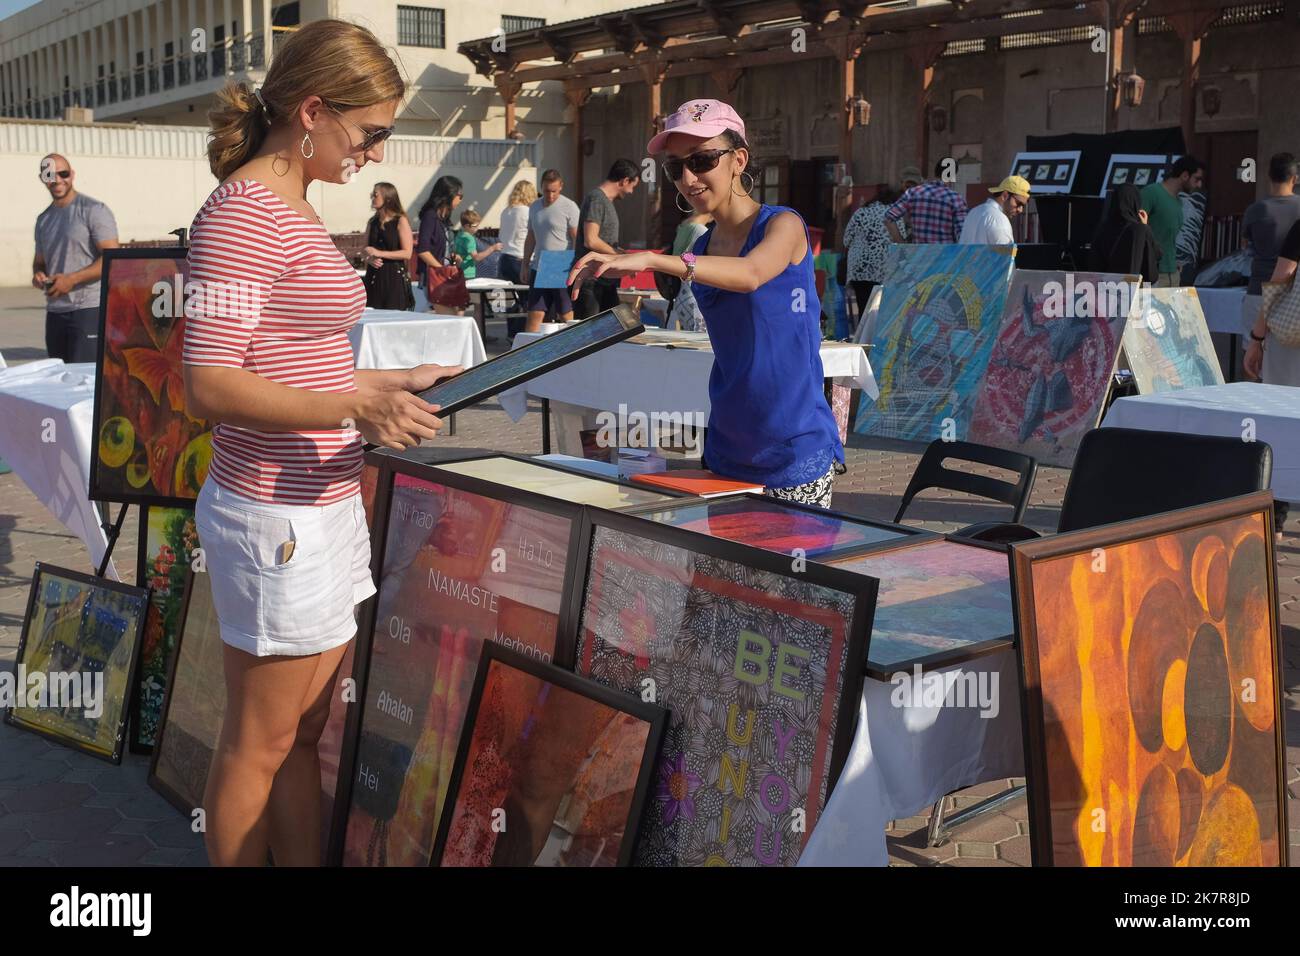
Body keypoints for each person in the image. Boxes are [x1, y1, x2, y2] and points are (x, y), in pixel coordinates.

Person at [181, 19, 461, 867]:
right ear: (312, 111)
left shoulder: (293, 203)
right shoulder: (242, 212)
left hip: (322, 507)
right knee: (258, 745)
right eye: (371, 132)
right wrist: (354, 407)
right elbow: (210, 384)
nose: (376, 153)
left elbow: (302, 357)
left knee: (303, 734)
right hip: (275, 518)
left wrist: (384, 390)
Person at [570, 99, 845, 508]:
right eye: (675, 167)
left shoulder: (783, 225)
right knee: (714, 572)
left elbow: (751, 274)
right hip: (727, 444)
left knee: (786, 571)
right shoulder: (702, 244)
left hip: (792, 447)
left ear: (738, 160)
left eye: (701, 160)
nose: (687, 178)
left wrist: (648, 259)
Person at [32, 153, 120, 362]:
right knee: (60, 383)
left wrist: (71, 279)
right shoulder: (43, 219)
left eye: (63, 173)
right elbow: (39, 262)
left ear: (72, 175)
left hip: (88, 310)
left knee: (86, 383)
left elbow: (111, 258)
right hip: (55, 312)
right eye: (50, 175)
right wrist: (38, 275)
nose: (57, 180)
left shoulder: (93, 210)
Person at [573, 159, 641, 320]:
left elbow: (602, 241)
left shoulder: (604, 201)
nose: (631, 192)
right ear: (624, 181)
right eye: (633, 186)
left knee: (617, 329)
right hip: (591, 281)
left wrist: (620, 254)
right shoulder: (597, 199)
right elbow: (591, 240)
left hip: (604, 280)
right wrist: (619, 256)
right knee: (589, 337)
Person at [1241, 153, 1300, 336]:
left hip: (1259, 288)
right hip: (1294, 295)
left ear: (1269, 176)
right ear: (1294, 178)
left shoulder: (1255, 210)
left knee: (1251, 354)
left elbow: (1245, 246)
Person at [519, 169, 580, 332]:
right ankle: (528, 353)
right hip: (539, 264)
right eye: (546, 191)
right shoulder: (534, 206)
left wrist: (574, 265)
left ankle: (573, 348)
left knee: (565, 313)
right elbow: (530, 237)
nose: (550, 195)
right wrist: (525, 264)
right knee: (534, 313)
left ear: (561, 187)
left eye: (554, 191)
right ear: (541, 187)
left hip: (560, 263)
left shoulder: (569, 206)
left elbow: (576, 238)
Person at [1141, 155, 1206, 286]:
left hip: (1173, 273)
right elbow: (1136, 231)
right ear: (1185, 175)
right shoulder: (1151, 193)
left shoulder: (1178, 202)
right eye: (1197, 179)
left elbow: (1168, 237)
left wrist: (1174, 262)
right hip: (1153, 274)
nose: (1199, 184)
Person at [841, 185, 898, 329]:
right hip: (882, 270)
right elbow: (900, 239)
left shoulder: (861, 212)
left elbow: (846, 239)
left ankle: (863, 342)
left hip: (859, 270)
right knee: (879, 310)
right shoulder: (894, 215)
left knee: (862, 309)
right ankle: (875, 341)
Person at [1085, 183, 1159, 282]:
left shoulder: (1102, 228)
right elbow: (1156, 255)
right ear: (1136, 202)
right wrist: (1145, 226)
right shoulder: (1139, 229)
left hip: (1106, 289)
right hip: (1131, 292)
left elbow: (1094, 265)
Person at [416, 175, 467, 315]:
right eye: (459, 195)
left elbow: (441, 247)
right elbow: (423, 250)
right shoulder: (430, 216)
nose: (461, 200)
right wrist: (441, 270)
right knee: (450, 318)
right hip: (436, 277)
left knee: (459, 313)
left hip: (447, 275)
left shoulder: (443, 219)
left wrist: (453, 256)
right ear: (449, 194)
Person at [885, 160, 968, 244]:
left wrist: (901, 243)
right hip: (945, 254)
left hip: (918, 254)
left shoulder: (912, 193)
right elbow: (962, 233)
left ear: (935, 172)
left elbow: (888, 219)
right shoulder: (956, 199)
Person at [361, 182, 414, 310]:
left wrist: (379, 253)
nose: (372, 198)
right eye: (371, 195)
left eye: (375, 195)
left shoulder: (400, 220)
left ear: (388, 198)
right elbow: (364, 250)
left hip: (393, 278)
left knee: (394, 318)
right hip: (374, 277)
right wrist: (369, 258)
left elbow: (407, 253)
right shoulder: (372, 222)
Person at [668, 209, 711, 331]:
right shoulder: (701, 231)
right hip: (694, 296)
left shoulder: (682, 227)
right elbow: (704, 264)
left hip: (681, 295)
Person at [958, 176, 1030, 245]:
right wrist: (1016, 251)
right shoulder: (1000, 219)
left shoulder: (973, 212)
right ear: (1005, 196)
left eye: (1023, 206)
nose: (1020, 210)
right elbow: (1007, 254)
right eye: (1018, 203)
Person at [497, 179, 536, 284]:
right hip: (521, 258)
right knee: (528, 296)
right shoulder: (528, 211)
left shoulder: (505, 211)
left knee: (511, 297)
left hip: (504, 258)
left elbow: (502, 235)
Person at [452, 209, 502, 281]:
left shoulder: (459, 235)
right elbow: (476, 257)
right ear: (466, 226)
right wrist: (493, 248)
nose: (477, 228)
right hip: (467, 274)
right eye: (475, 226)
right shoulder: (469, 239)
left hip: (458, 271)